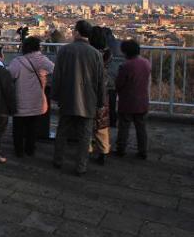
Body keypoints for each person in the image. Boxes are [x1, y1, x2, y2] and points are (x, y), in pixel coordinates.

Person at [52, 20, 105, 176]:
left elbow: (57, 76)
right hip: (88, 100)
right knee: (85, 135)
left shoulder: (64, 51)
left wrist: (55, 95)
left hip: (67, 97)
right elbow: (100, 81)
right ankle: (81, 166)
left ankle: (58, 160)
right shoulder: (96, 54)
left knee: (62, 131)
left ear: (76, 32)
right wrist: (101, 102)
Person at [8, 36, 54, 157]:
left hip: (20, 100)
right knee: (32, 127)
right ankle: (30, 149)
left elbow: (10, 75)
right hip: (36, 101)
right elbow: (54, 69)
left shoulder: (17, 61)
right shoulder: (43, 60)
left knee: (18, 127)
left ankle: (18, 151)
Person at [114, 39, 151, 159]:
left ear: (125, 52)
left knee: (124, 126)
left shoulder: (125, 66)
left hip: (127, 101)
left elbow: (119, 84)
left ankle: (121, 148)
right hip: (142, 100)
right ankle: (143, 150)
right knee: (141, 127)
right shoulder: (146, 63)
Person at [89, 26, 112, 165]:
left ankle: (88, 147)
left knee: (87, 122)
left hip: (89, 90)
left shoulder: (90, 53)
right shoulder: (108, 53)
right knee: (101, 123)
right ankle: (104, 150)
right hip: (103, 90)